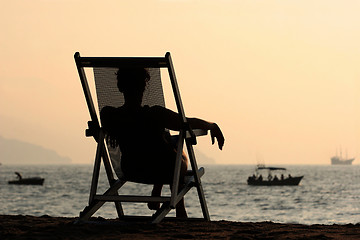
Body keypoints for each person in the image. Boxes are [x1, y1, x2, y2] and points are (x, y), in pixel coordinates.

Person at [100, 67, 225, 218]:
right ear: (144, 88)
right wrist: (212, 126)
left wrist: (97, 130)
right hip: (164, 169)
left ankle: (157, 188)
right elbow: (186, 122)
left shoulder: (109, 115)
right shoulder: (156, 114)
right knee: (177, 149)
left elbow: (101, 139)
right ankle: (180, 209)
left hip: (131, 168)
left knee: (164, 141)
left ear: (120, 87)